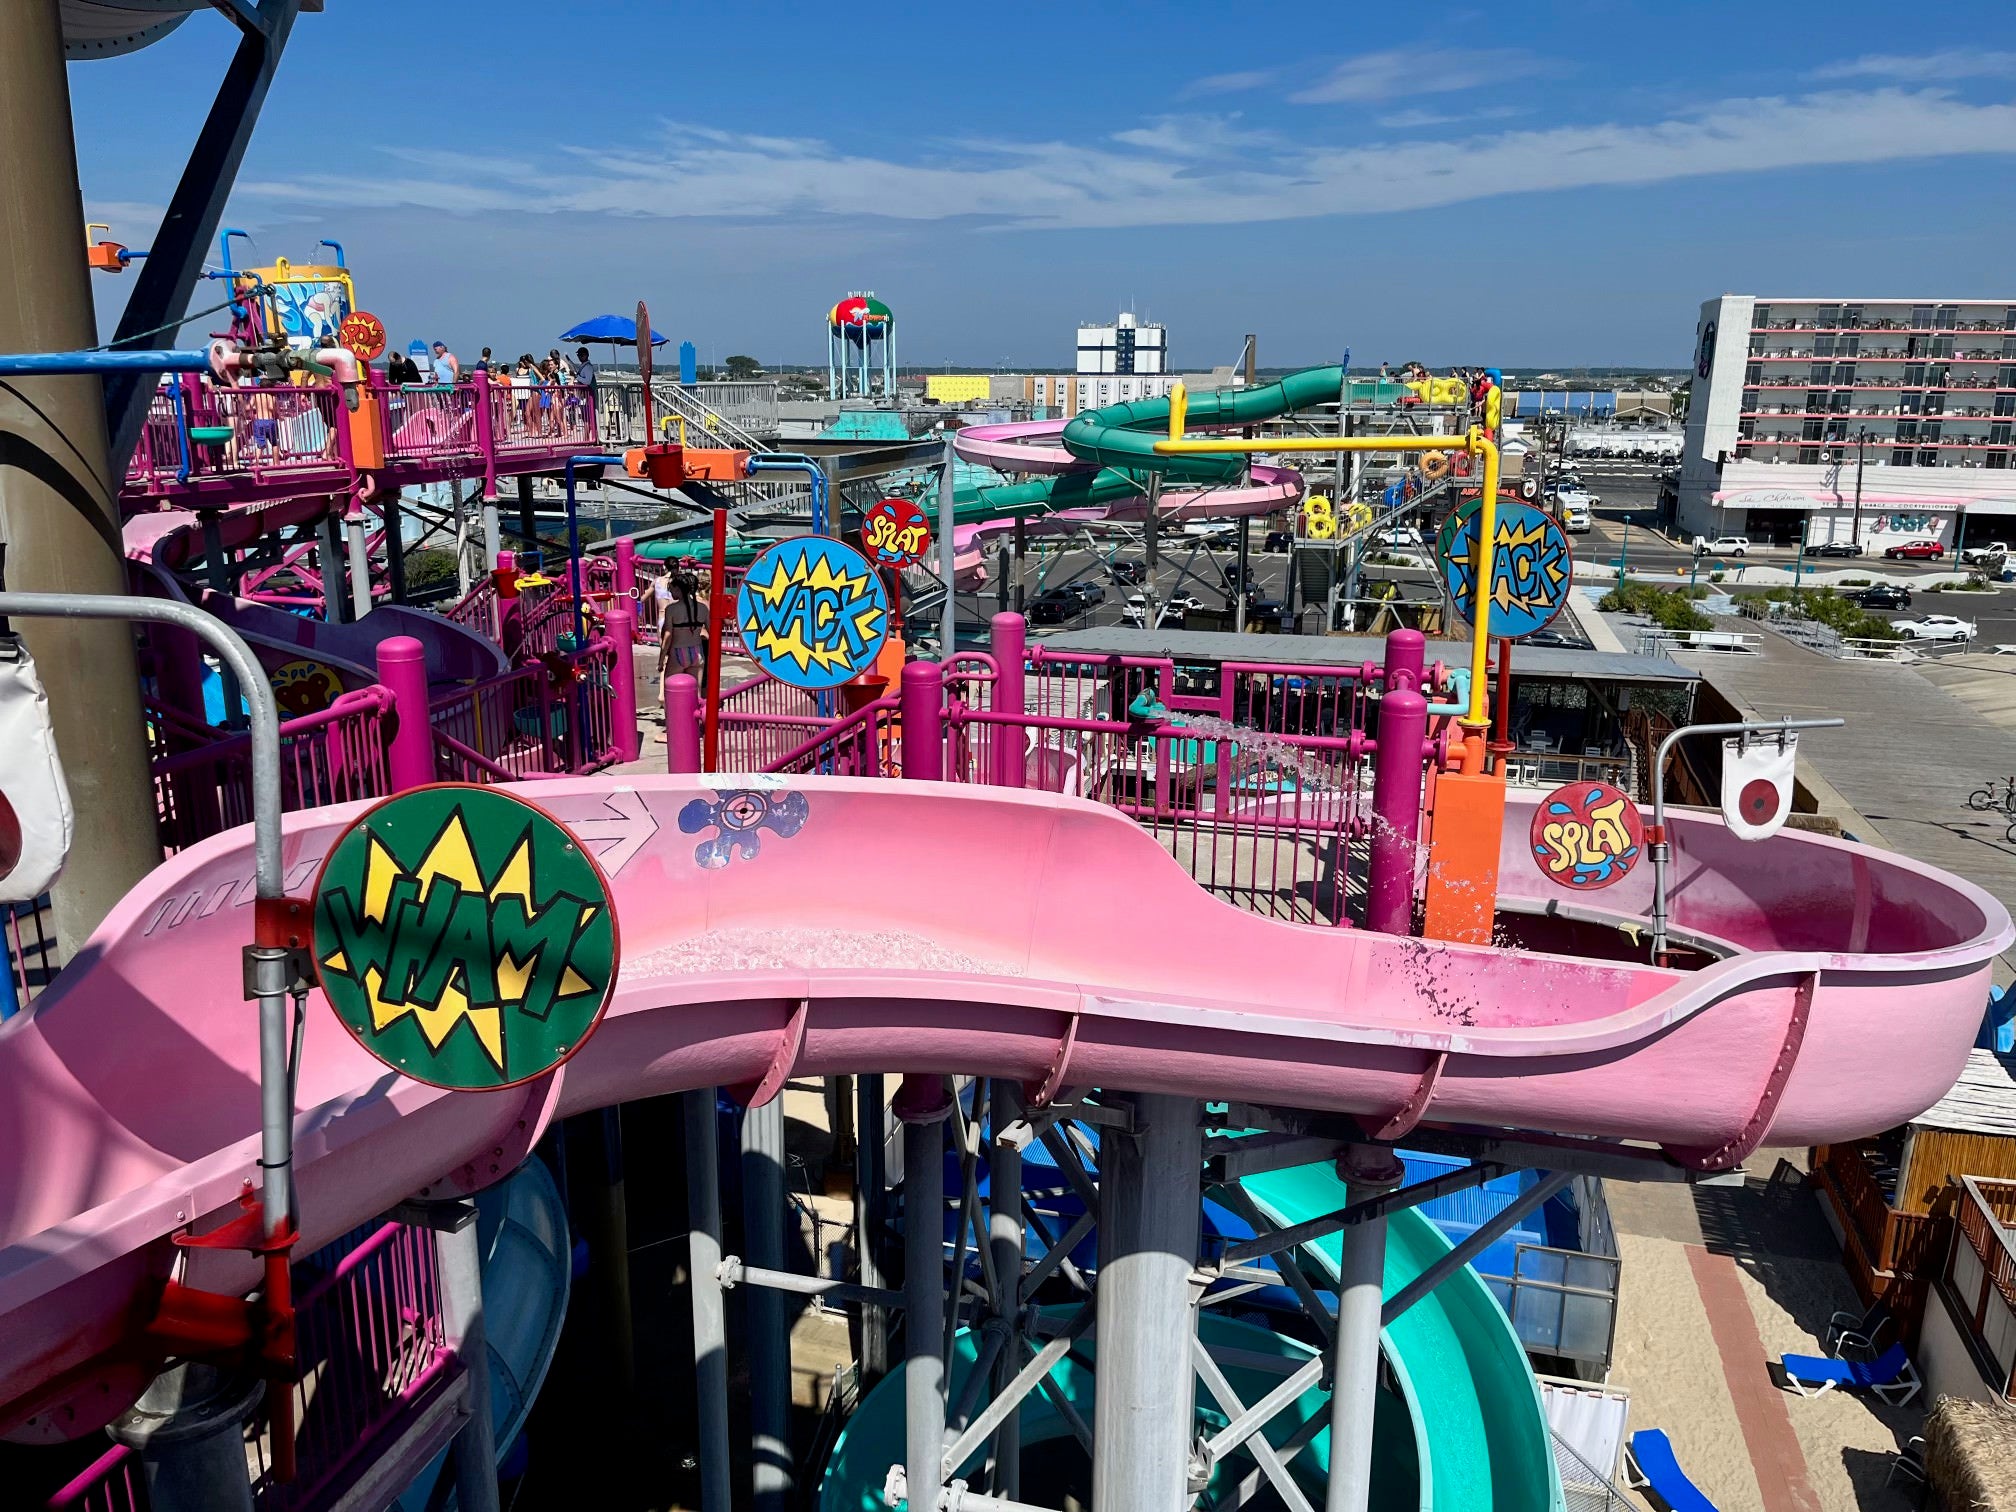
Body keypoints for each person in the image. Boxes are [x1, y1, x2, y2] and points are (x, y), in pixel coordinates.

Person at [660, 567, 710, 687]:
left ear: (678, 589)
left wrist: (661, 660)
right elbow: (712, 632)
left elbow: (668, 636)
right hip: (697, 651)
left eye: (671, 589)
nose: (670, 593)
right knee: (696, 692)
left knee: (671, 691)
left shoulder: (671, 609)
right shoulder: (703, 608)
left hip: (677, 652)